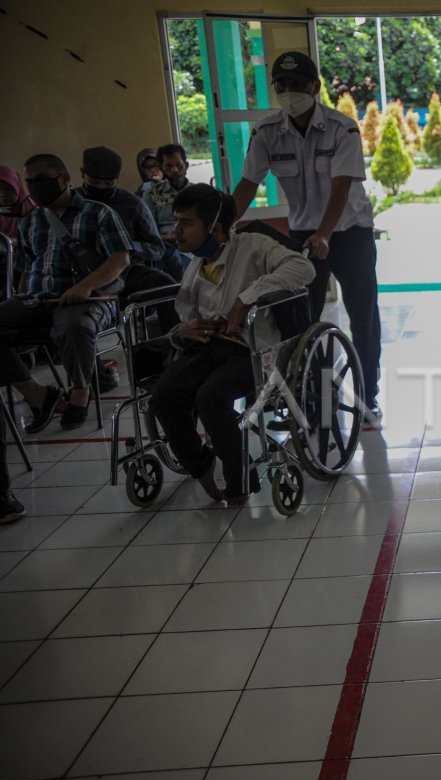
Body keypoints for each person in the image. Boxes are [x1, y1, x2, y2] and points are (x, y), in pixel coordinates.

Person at [233, 51, 382, 419]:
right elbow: (247, 185)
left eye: (296, 85)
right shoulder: (267, 132)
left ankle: (368, 394)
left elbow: (341, 186)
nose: (288, 91)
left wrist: (326, 234)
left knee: (363, 317)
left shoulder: (341, 128)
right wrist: (221, 227)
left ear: (314, 87)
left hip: (349, 233)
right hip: (302, 237)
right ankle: (313, 395)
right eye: (281, 85)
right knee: (302, 321)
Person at [151, 185, 314, 503]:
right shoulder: (196, 263)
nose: (177, 231)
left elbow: (303, 268)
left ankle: (239, 479)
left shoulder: (253, 246)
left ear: (215, 227)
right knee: (164, 398)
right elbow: (185, 313)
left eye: (186, 223)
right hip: (207, 346)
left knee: (210, 398)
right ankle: (201, 466)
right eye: (177, 222)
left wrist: (246, 299)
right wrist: (186, 329)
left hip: (251, 349)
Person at [0, 153, 132, 431]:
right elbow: (25, 270)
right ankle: (37, 395)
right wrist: (19, 301)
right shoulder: (31, 221)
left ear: (64, 179)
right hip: (39, 300)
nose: (36, 187)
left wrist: (86, 285)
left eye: (43, 180)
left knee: (74, 324)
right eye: (30, 181)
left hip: (87, 298)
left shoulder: (99, 213)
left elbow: (120, 259)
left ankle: (80, 391)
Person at [78, 147, 178, 338]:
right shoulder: (72, 203)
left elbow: (157, 247)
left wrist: (126, 248)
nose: (100, 188)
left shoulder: (131, 203)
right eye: (94, 182)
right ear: (82, 173)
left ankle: (173, 343)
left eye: (108, 183)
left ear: (117, 178)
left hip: (125, 272)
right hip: (81, 273)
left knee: (166, 286)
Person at [142, 143, 192, 280]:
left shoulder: (197, 193)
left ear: (186, 165)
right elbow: (148, 231)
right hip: (166, 246)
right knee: (171, 257)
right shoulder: (151, 194)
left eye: (179, 165)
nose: (175, 170)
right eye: (169, 166)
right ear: (162, 169)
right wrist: (167, 237)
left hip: (194, 244)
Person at [0, 165, 38, 295]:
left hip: (22, 266)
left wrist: (13, 242)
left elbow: (36, 242)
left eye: (7, 189)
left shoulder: (33, 210)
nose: (2, 195)